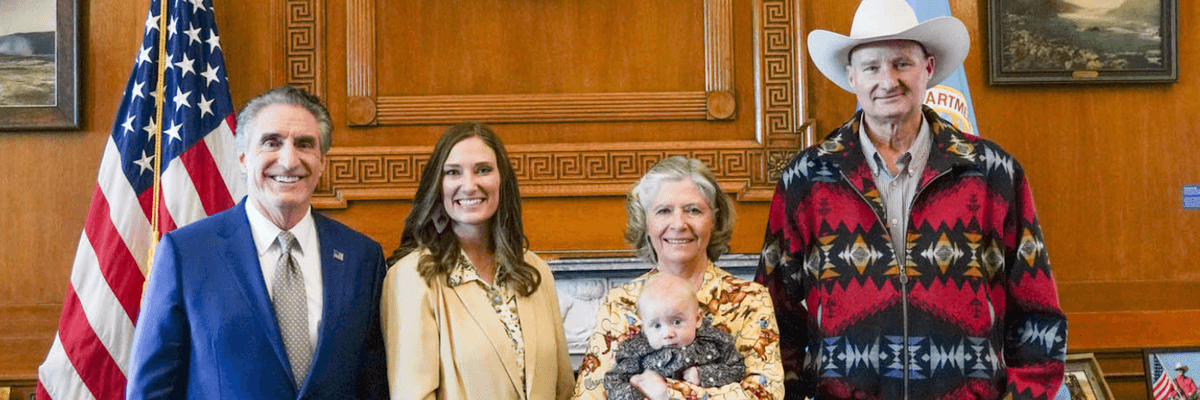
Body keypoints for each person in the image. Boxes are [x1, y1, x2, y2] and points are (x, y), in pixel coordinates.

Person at [752, 0, 1068, 399]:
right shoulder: (807, 177)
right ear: (851, 76)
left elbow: (1038, 311)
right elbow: (771, 313)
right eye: (871, 67)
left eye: (902, 64)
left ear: (928, 69)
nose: (888, 81)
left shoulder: (993, 172)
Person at [126, 85, 388, 398]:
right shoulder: (186, 254)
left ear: (321, 162)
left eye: (304, 144)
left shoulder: (363, 258)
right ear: (243, 159)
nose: (289, 161)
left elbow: (374, 386)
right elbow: (151, 390)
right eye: (271, 143)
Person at [381, 122, 574, 400]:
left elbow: (564, 389)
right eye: (453, 172)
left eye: (483, 170)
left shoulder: (535, 271)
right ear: (438, 185)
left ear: (502, 180)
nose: (470, 185)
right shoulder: (412, 277)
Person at [573, 156, 784, 400]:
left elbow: (766, 394)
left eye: (693, 210)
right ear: (646, 222)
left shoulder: (750, 300)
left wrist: (668, 393)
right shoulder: (618, 303)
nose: (679, 224)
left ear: (714, 220)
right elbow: (588, 395)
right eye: (664, 211)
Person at [602, 273, 745, 400]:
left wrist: (703, 374)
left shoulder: (711, 342)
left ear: (698, 319)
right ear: (644, 327)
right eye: (656, 325)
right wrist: (637, 395)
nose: (667, 334)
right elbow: (613, 380)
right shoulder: (637, 349)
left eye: (677, 322)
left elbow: (737, 369)